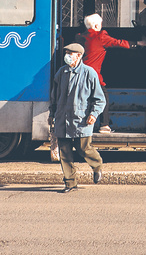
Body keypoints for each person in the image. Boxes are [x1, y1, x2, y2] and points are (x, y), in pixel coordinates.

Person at [49, 42, 106, 193]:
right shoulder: (61, 73)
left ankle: (97, 165)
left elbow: (100, 99)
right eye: (66, 53)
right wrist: (51, 114)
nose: (67, 56)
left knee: (84, 148)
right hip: (62, 119)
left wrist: (94, 114)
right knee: (64, 153)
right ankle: (70, 183)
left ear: (79, 56)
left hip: (81, 120)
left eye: (70, 54)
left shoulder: (89, 73)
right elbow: (55, 97)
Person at [81, 13, 146, 133]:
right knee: (103, 98)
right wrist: (138, 43)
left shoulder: (80, 37)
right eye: (100, 24)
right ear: (96, 25)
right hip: (94, 76)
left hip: (80, 75)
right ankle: (104, 125)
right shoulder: (101, 36)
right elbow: (118, 42)